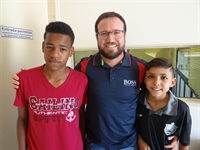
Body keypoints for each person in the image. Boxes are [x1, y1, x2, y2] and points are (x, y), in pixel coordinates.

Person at [11, 12, 179, 150]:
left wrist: (172, 132)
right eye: (104, 33)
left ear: (124, 35)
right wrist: (24, 80)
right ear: (97, 36)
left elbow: (159, 99)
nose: (110, 38)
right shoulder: (84, 67)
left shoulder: (141, 68)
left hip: (128, 144)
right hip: (94, 144)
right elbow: (59, 75)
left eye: (116, 32)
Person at [13, 21, 88, 150]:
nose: (54, 54)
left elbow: (80, 116)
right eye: (50, 47)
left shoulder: (81, 80)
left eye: (62, 49)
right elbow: (22, 119)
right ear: (43, 46)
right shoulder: (24, 79)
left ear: (71, 51)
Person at [137, 58, 191, 150]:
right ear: (145, 79)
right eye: (151, 76)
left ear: (172, 82)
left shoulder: (181, 109)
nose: (156, 83)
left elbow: (184, 142)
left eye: (164, 78)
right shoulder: (136, 102)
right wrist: (139, 139)